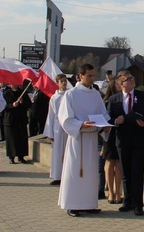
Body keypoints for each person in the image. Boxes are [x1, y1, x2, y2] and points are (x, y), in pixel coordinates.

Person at [57, 64, 111, 217]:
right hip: (78, 139)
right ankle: (72, 204)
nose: (92, 79)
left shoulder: (95, 94)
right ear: (80, 76)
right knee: (76, 171)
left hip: (92, 137)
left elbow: (103, 114)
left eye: (94, 76)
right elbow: (65, 118)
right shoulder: (71, 94)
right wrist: (80, 124)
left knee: (91, 172)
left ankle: (89, 204)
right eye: (89, 76)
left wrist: (105, 125)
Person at [107, 70, 144, 216]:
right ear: (121, 84)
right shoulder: (114, 99)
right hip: (122, 140)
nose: (132, 80)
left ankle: (138, 205)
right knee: (126, 173)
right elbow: (108, 118)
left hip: (139, 140)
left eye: (132, 77)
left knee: (137, 172)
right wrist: (116, 121)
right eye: (128, 79)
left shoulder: (143, 96)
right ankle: (127, 202)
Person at [42, 73, 70, 186]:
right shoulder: (54, 97)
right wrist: (50, 132)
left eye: (65, 81)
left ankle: (68, 175)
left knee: (68, 151)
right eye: (61, 81)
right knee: (58, 151)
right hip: (58, 125)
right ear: (57, 83)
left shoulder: (70, 95)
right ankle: (57, 176)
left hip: (68, 125)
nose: (64, 83)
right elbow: (51, 114)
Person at [101, 75, 123, 204]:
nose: (119, 86)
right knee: (110, 163)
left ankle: (118, 192)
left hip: (120, 134)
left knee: (119, 163)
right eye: (117, 84)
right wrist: (114, 121)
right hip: (109, 134)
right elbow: (105, 118)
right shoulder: (108, 101)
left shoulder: (125, 99)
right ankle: (110, 192)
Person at [2, 82, 32, 164]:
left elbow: (29, 104)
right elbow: (2, 106)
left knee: (21, 139)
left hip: (21, 120)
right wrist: (12, 105)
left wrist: (22, 102)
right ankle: (11, 157)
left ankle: (21, 156)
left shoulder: (22, 92)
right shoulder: (6, 93)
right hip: (10, 120)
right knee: (11, 139)